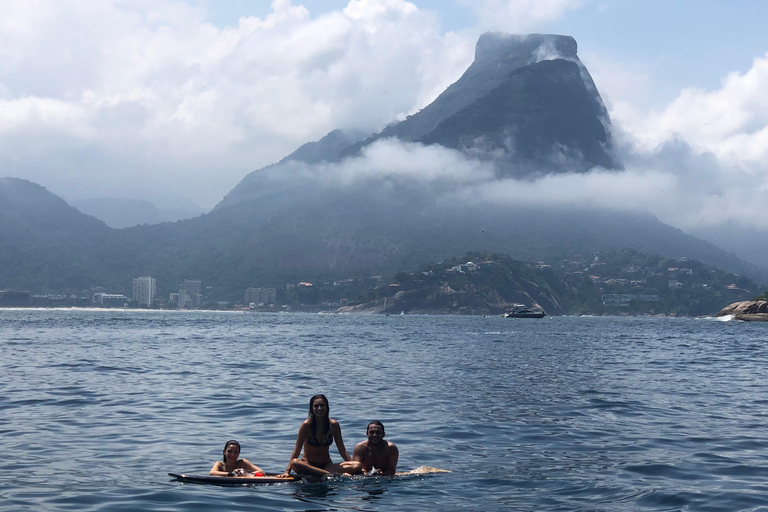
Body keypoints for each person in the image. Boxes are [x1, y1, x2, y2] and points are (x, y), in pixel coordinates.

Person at [278, 394, 363, 478]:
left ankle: (324, 473)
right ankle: (331, 475)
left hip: (327, 466)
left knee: (357, 465)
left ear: (327, 407)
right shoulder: (307, 425)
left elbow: (342, 450)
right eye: (316, 406)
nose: (319, 408)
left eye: (322, 405)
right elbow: (297, 450)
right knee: (295, 462)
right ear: (312, 408)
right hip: (308, 465)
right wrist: (287, 471)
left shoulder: (334, 425)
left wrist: (354, 468)